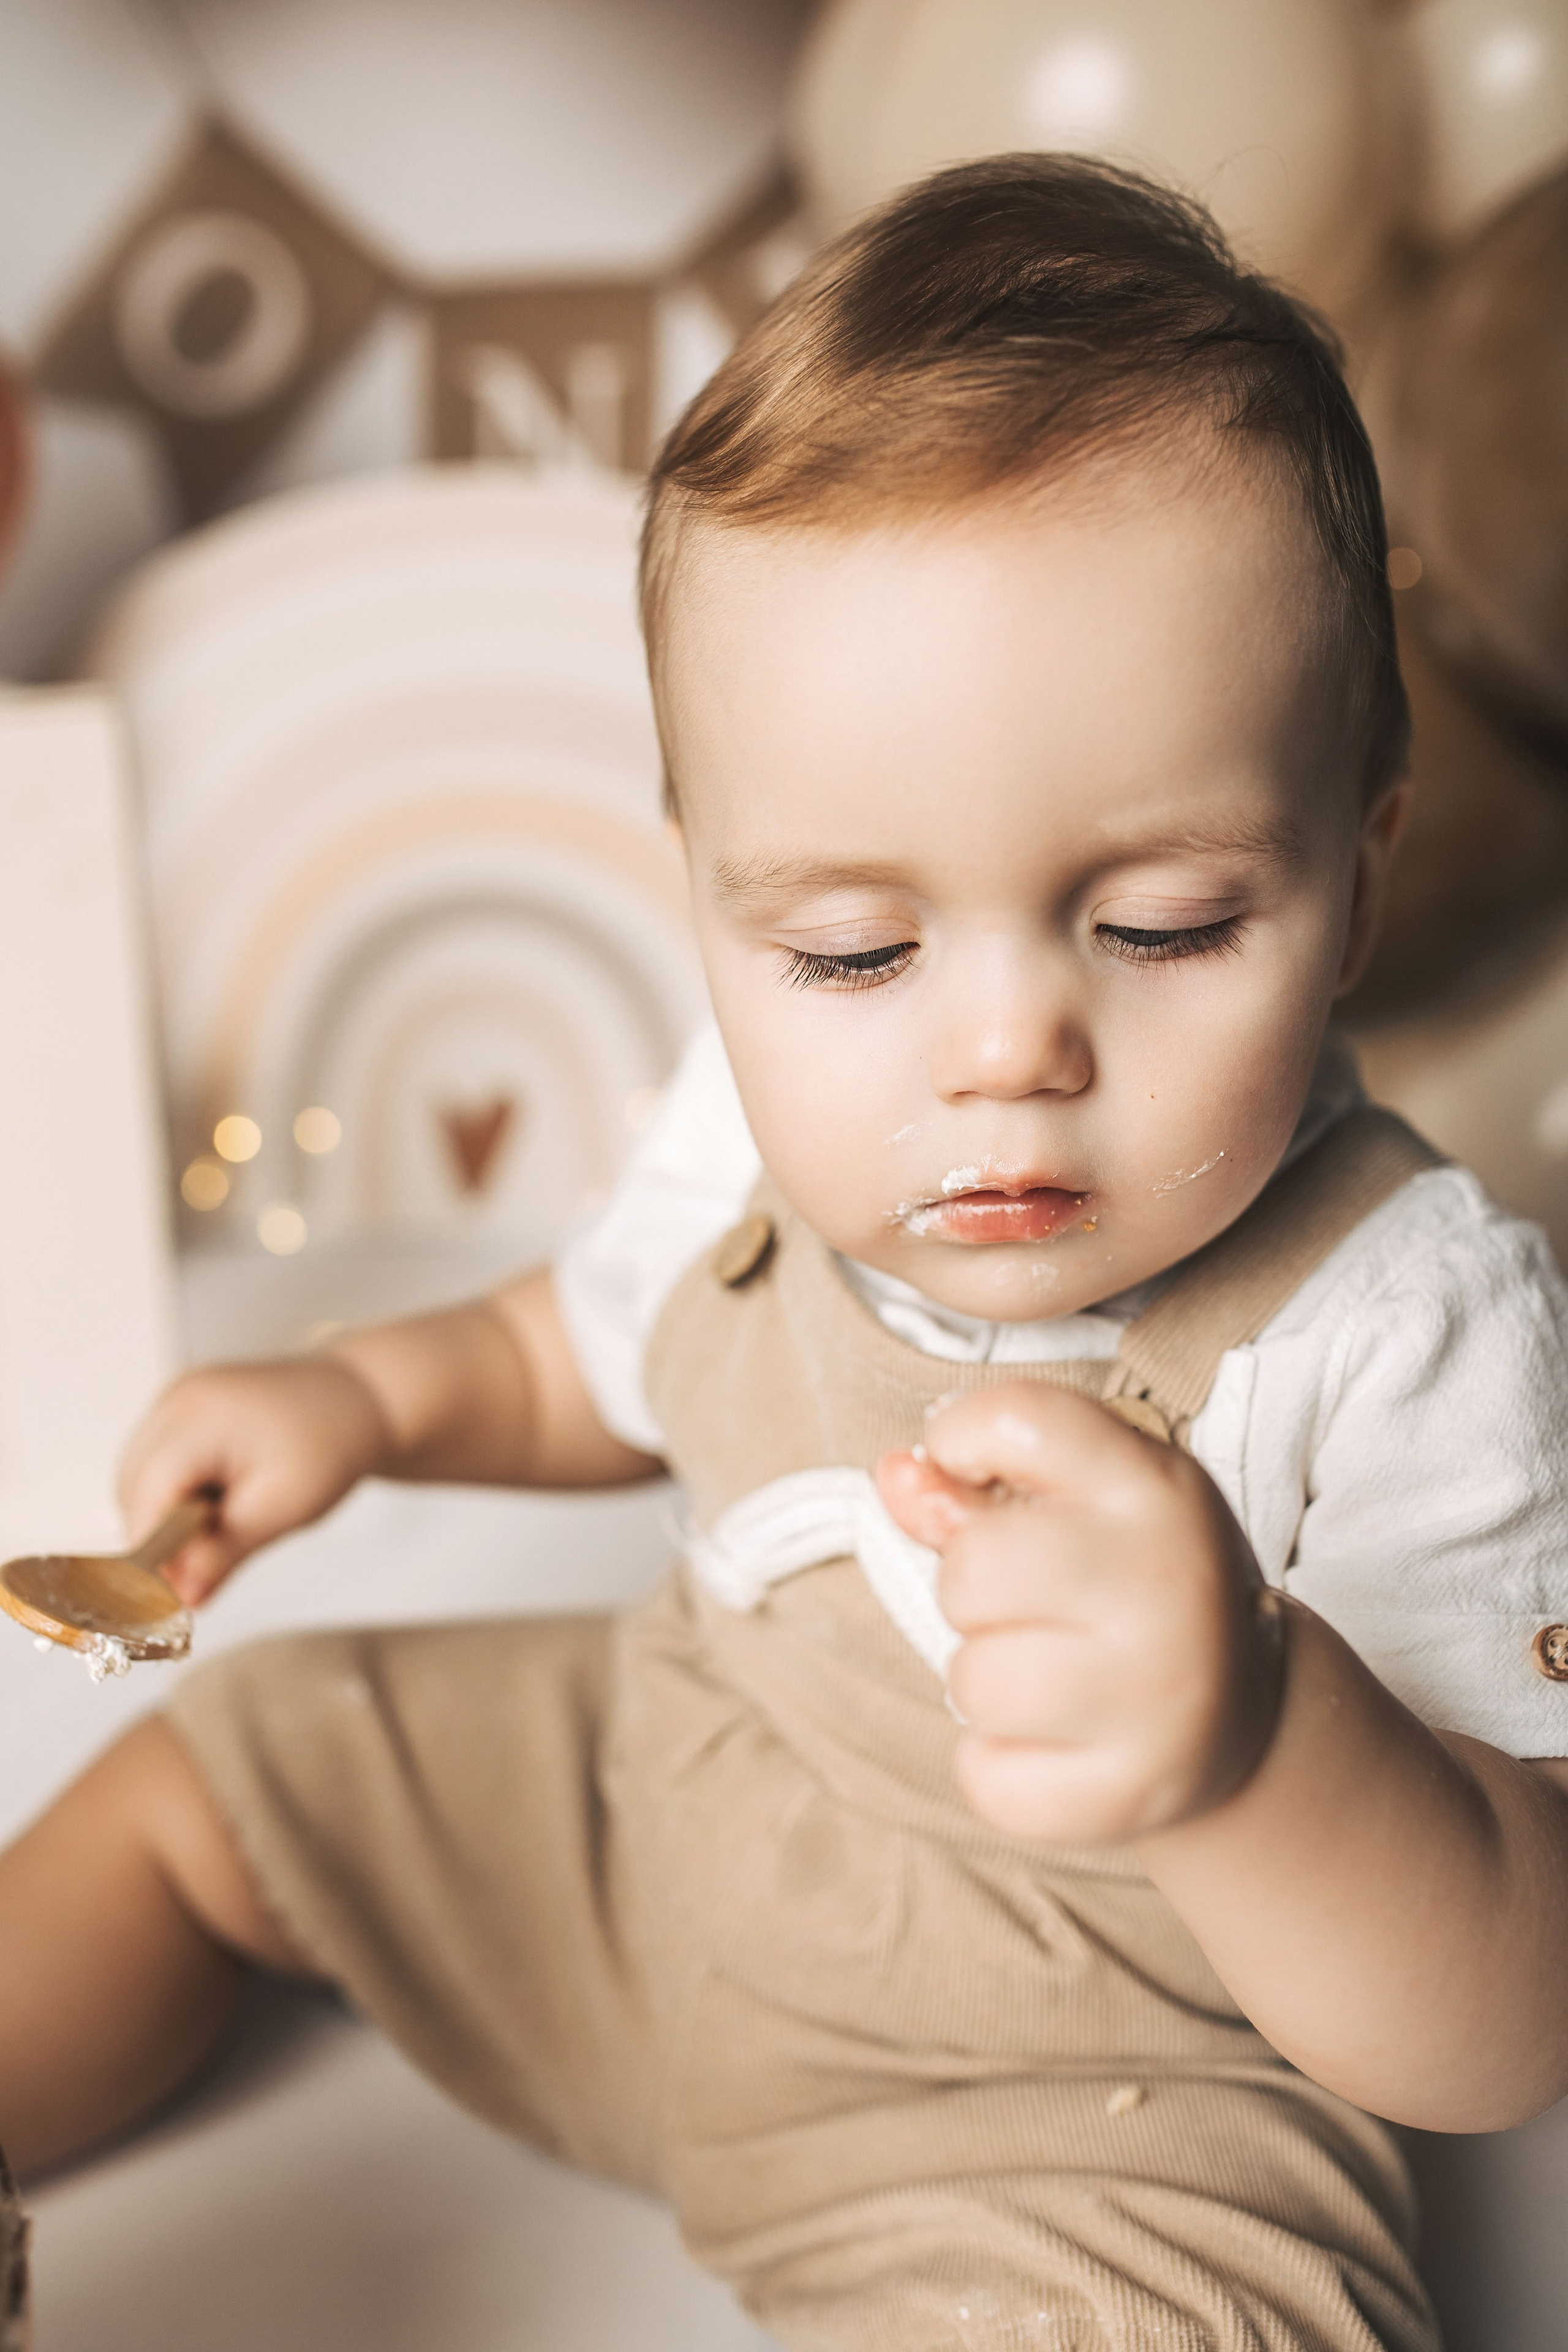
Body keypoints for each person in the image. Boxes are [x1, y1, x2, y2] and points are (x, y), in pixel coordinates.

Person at [5, 156, 1568, 2351]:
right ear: (712, 895)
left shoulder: (1400, 1327)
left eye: (1166, 927)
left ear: (1360, 877)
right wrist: (370, 1398)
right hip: (648, 1843)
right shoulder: (749, 1109)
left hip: (1063, 2099)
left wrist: (1262, 1736)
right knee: (243, 1774)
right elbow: (607, 1350)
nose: (1008, 1041)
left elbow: (1510, 2017)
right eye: (849, 946)